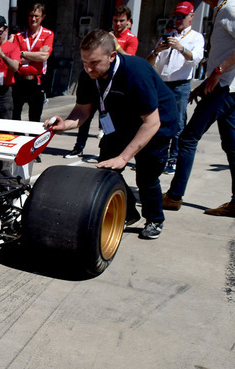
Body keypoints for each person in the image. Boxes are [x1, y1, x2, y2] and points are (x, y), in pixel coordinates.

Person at [48, 29, 178, 240]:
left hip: (156, 124)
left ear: (112, 56)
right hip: (120, 122)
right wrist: (65, 124)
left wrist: (124, 157)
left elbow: (152, 122)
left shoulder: (136, 72)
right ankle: (129, 213)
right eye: (84, 62)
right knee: (106, 170)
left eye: (94, 63)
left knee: (146, 177)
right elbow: (82, 111)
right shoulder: (88, 74)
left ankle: (155, 219)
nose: (88, 68)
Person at [163, 0, 235, 216]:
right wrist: (203, 86)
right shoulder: (221, 10)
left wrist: (219, 71)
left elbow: (222, 62)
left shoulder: (230, 8)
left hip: (224, 87)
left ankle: (174, 196)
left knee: (188, 138)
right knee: (232, 144)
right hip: (226, 87)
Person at [66, 5, 139, 159]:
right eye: (115, 21)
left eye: (121, 21)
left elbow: (129, 59)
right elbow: (81, 111)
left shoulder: (130, 40)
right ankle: (79, 146)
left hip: (119, 95)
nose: (118, 24)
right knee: (87, 117)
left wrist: (116, 45)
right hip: (100, 91)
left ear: (128, 22)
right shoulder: (105, 37)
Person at [147, 1, 204, 175]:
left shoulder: (196, 38)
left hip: (180, 85)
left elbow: (195, 59)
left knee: (178, 123)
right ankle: (156, 156)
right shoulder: (167, 36)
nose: (178, 20)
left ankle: (174, 158)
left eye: (182, 16)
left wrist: (180, 47)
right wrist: (157, 51)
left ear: (191, 17)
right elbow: (150, 63)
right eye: (176, 16)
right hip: (162, 84)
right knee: (156, 120)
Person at [12, 3, 53, 122]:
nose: (33, 19)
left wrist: (23, 53)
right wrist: (36, 55)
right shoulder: (19, 36)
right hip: (20, 80)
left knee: (34, 118)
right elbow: (15, 59)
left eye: (36, 16)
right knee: (15, 116)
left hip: (37, 80)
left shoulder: (48, 34)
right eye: (31, 16)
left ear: (43, 17)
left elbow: (44, 56)